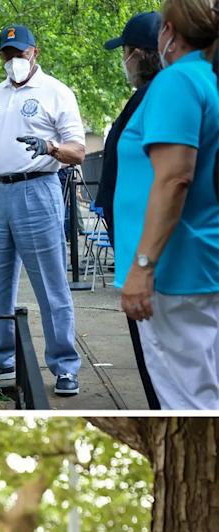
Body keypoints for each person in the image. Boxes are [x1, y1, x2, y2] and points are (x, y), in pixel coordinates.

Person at [0, 25, 87, 396]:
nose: (14, 61)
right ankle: (2, 355)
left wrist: (50, 147)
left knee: (51, 284)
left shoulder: (56, 93)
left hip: (38, 189)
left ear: (34, 53)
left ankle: (64, 365)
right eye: (7, 55)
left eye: (19, 54)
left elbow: (79, 151)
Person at [116, 0, 219, 408]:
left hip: (174, 272)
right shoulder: (206, 79)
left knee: (189, 402)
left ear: (170, 31)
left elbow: (175, 177)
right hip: (195, 263)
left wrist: (143, 267)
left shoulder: (177, 82)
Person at [97, 12, 166, 409]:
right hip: (137, 256)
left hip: (151, 263)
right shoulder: (144, 98)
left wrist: (143, 262)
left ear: (139, 54)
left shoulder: (159, 97)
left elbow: (174, 178)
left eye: (125, 51)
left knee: (161, 369)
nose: (124, 59)